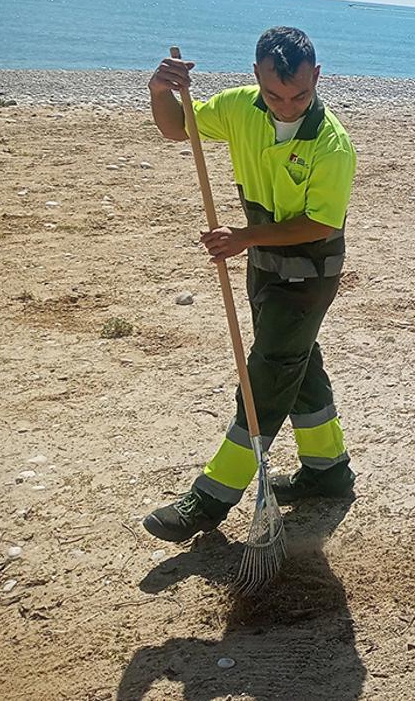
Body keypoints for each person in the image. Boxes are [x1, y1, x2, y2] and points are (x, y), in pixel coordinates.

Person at [142, 26, 358, 542]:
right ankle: (328, 472)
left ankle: (213, 495)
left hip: (310, 273)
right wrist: (159, 91)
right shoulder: (238, 107)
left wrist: (243, 236)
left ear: (317, 78)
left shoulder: (333, 144)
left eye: (300, 95)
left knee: (267, 375)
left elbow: (320, 224)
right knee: (299, 363)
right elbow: (177, 129)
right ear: (256, 76)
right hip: (261, 264)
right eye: (274, 94)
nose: (287, 106)